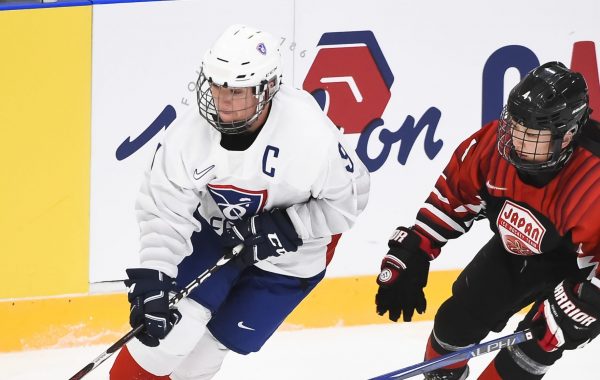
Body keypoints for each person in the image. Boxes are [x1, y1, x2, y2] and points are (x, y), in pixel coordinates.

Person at [109, 24, 370, 380]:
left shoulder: (309, 136)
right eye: (216, 86)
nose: (222, 99)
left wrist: (291, 225)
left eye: (236, 90)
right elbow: (163, 207)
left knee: (201, 359)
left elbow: (349, 201)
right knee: (164, 341)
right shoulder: (190, 134)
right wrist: (156, 274)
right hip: (218, 235)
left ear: (268, 89)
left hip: (290, 260)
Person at [375, 62, 600, 379]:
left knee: (536, 347)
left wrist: (584, 305)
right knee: (453, 325)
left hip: (577, 272)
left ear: (566, 137)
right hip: (515, 253)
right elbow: (454, 195)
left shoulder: (594, 178)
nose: (516, 142)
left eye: (532, 136)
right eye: (516, 128)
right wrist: (415, 249)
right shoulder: (493, 146)